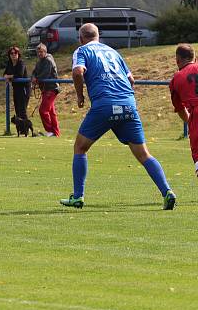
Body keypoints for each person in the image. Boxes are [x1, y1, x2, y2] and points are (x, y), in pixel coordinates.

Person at [60, 23, 176, 210]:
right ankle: (167, 192)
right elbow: (131, 80)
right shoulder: (114, 52)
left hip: (104, 105)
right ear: (98, 36)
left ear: (81, 38)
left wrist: (80, 96)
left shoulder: (82, 51)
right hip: (128, 105)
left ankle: (78, 197)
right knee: (143, 154)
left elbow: (77, 72)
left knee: (80, 148)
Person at [169, 43, 198, 175]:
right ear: (195, 58)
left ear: (177, 60)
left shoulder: (176, 79)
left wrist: (190, 121)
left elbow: (180, 109)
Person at [31, 43, 60, 137]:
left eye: (41, 52)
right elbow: (34, 72)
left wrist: (36, 79)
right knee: (51, 112)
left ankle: (50, 131)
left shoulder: (48, 60)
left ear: (45, 51)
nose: (39, 54)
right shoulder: (39, 61)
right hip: (45, 88)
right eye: (38, 52)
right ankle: (56, 133)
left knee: (43, 110)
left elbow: (45, 74)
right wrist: (34, 77)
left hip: (51, 88)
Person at [3, 46, 30, 119]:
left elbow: (19, 74)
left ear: (18, 54)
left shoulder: (21, 62)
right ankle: (20, 129)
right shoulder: (9, 63)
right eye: (11, 53)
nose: (13, 54)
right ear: (9, 55)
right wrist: (6, 75)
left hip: (23, 89)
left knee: (22, 111)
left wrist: (8, 76)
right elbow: (5, 73)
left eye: (15, 53)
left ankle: (26, 129)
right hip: (16, 89)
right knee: (17, 111)